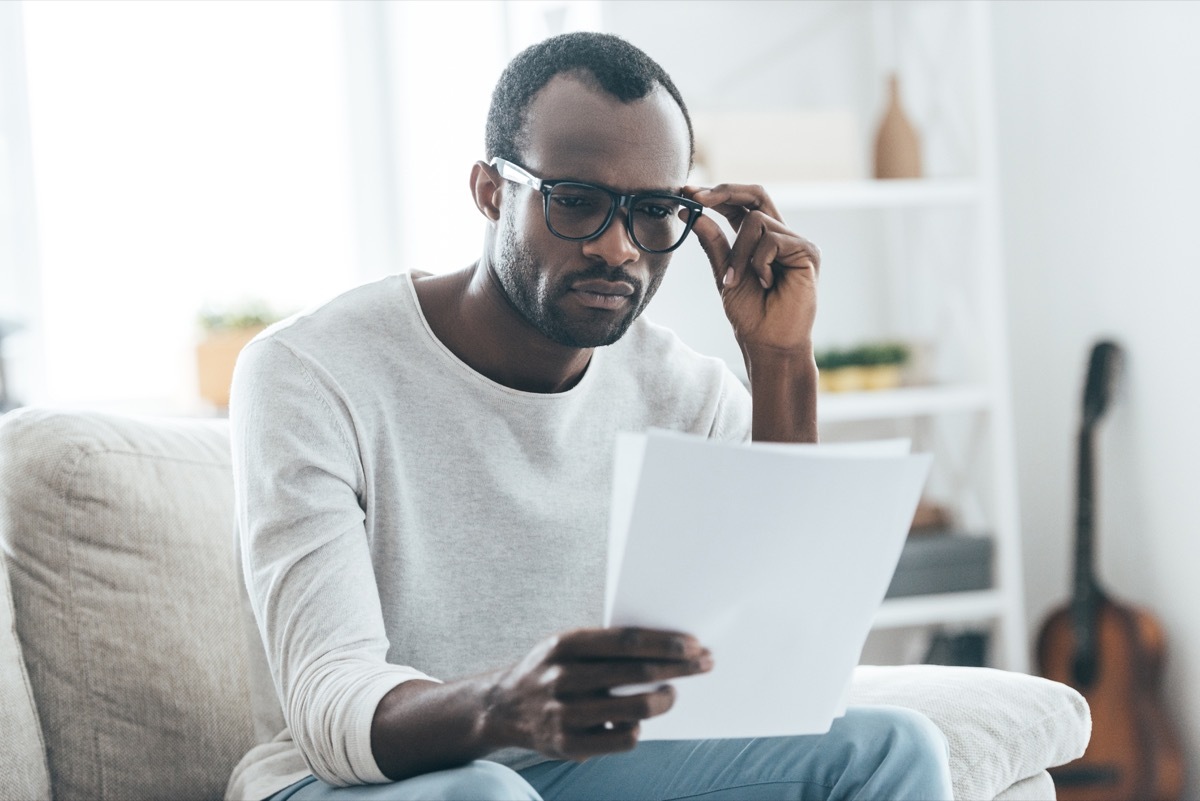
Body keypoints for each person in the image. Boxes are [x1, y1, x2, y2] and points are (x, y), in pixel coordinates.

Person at [228, 31, 953, 801]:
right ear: (489, 191)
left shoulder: (685, 392)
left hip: (587, 770)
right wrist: (508, 704)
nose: (617, 248)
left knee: (893, 747)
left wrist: (780, 359)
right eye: (575, 201)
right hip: (353, 780)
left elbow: (786, 657)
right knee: (488, 795)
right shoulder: (310, 371)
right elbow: (327, 702)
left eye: (652, 211)